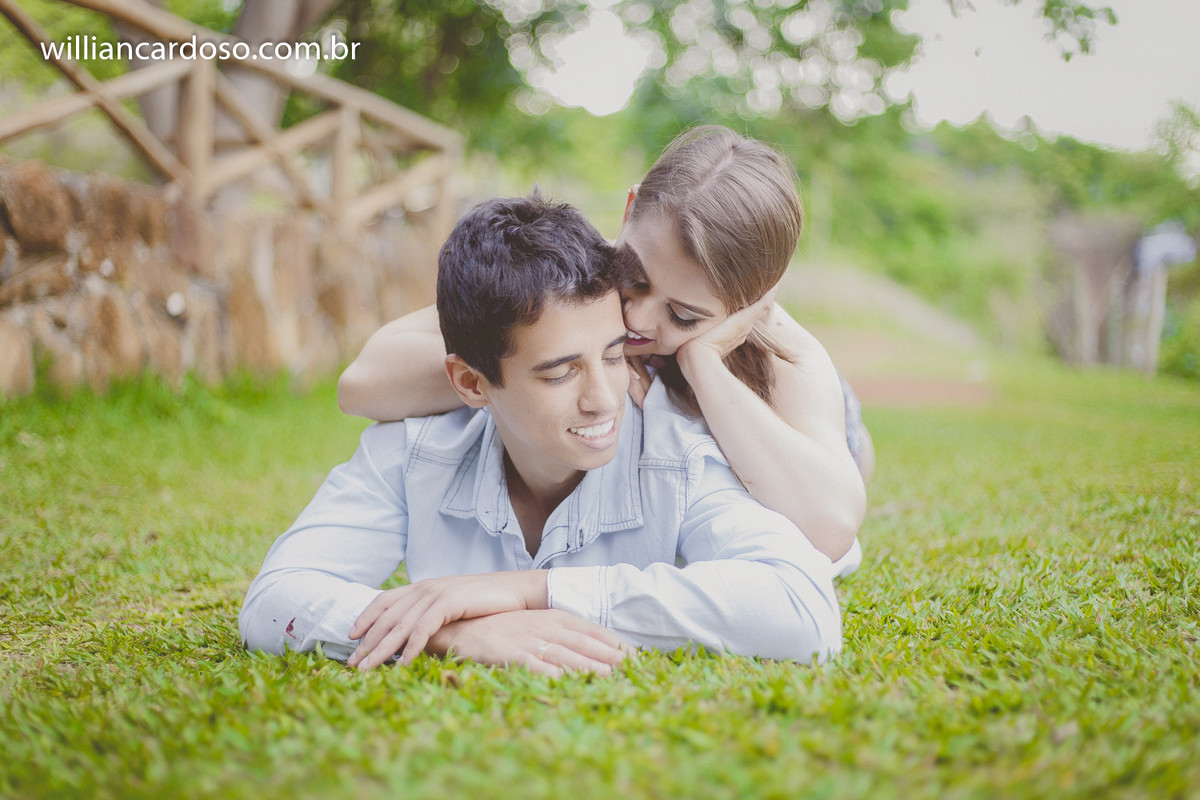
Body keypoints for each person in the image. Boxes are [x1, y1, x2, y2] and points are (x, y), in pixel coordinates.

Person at [239, 194, 842, 675]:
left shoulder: (677, 449)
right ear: (471, 384)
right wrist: (455, 631)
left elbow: (804, 607)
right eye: (559, 371)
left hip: (762, 410)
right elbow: (274, 602)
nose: (607, 398)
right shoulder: (416, 446)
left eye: (615, 356)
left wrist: (533, 592)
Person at [338, 126, 872, 564]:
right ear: (630, 208)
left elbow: (829, 531)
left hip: (829, 436)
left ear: (752, 302)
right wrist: (534, 367)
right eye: (634, 276)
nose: (636, 317)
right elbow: (361, 388)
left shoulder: (783, 350)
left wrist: (702, 361)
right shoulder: (578, 280)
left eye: (683, 314)